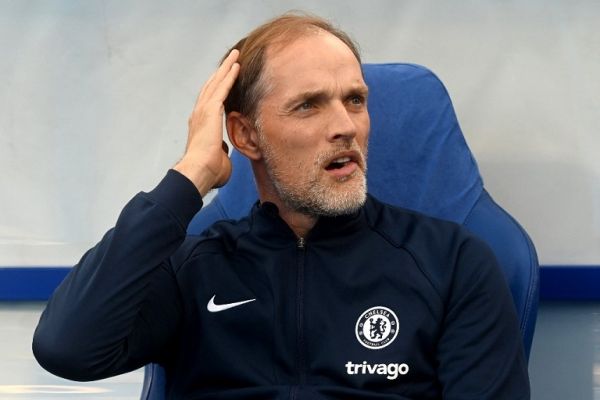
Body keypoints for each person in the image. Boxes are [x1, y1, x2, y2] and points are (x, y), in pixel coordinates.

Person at [33, 12, 530, 399]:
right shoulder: (195, 266)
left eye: (355, 100)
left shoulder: (453, 262)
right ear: (246, 135)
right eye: (309, 104)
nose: (346, 127)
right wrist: (190, 177)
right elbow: (67, 348)